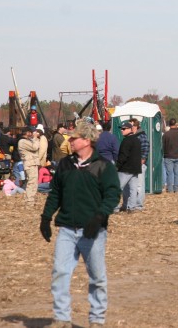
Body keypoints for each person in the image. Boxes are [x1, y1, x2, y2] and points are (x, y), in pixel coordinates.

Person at [40, 119, 121, 328]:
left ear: (86, 140)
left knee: (97, 277)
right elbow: (56, 193)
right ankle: (61, 319)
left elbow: (113, 195)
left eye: (74, 137)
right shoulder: (65, 164)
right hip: (67, 229)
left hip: (93, 231)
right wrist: (46, 217)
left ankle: (97, 320)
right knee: (60, 272)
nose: (70, 140)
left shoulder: (104, 166)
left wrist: (99, 217)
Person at [115, 122, 141, 213]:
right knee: (133, 189)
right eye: (121, 129)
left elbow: (123, 156)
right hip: (135, 169)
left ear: (130, 129)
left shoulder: (126, 141)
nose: (122, 130)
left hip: (126, 169)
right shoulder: (137, 140)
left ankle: (115, 207)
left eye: (124, 129)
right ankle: (131, 207)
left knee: (117, 187)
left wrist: (117, 166)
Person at [18, 127, 41, 206]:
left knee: (34, 183)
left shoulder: (27, 141)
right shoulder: (22, 141)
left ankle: (32, 199)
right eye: (30, 132)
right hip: (29, 164)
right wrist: (35, 138)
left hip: (33, 163)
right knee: (31, 182)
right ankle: (29, 201)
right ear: (26, 132)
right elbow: (35, 147)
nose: (32, 134)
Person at [162, 118, 178, 193]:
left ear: (169, 124)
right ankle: (177, 189)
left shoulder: (166, 134)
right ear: (176, 124)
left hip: (168, 156)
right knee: (177, 173)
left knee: (169, 173)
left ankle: (170, 189)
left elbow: (162, 146)